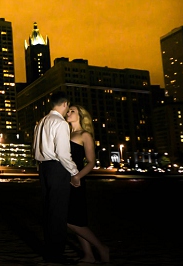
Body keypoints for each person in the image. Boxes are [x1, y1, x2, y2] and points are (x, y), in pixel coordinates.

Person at [33, 92, 80, 264]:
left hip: (44, 167)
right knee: (58, 212)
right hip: (57, 168)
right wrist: (74, 172)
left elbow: (35, 148)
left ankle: (49, 250)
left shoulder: (42, 122)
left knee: (48, 210)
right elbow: (63, 153)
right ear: (65, 104)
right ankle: (56, 254)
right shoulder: (60, 123)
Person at [65, 105, 110, 264]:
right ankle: (88, 255)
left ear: (81, 116)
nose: (68, 113)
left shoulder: (85, 135)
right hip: (65, 180)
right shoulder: (66, 133)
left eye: (72, 111)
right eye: (68, 110)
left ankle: (101, 247)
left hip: (76, 180)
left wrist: (77, 177)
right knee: (78, 220)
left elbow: (91, 162)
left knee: (70, 221)